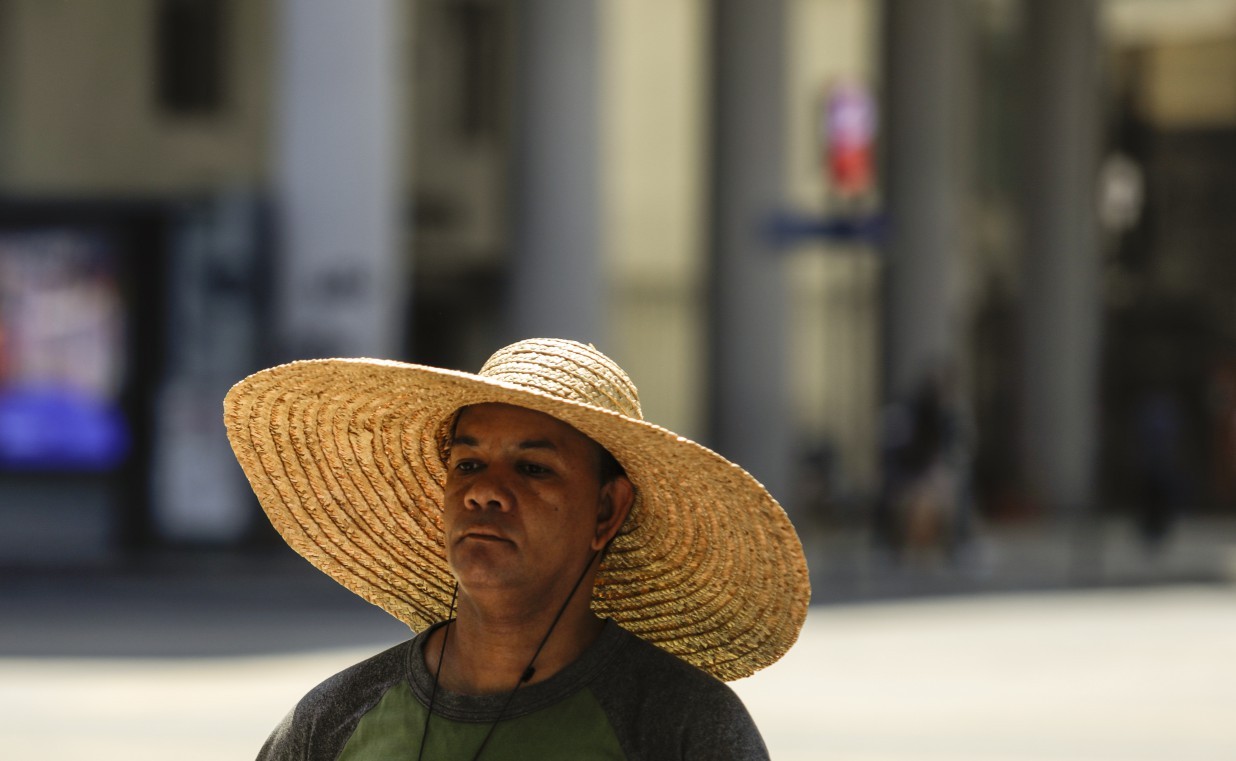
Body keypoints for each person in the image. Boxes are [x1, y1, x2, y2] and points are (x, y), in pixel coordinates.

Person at [224, 338, 810, 760]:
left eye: (533, 469)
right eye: (468, 464)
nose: (484, 491)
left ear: (606, 511)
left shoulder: (679, 726)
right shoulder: (334, 722)